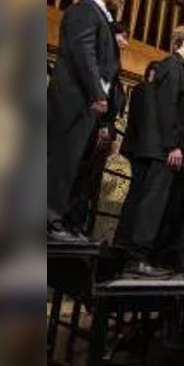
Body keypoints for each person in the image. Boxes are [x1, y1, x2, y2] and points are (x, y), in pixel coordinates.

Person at [47, 0, 127, 241]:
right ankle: (49, 220)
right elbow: (84, 54)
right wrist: (97, 93)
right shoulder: (83, 10)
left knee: (79, 166)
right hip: (75, 102)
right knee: (62, 161)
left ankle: (67, 222)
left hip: (91, 107)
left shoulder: (102, 18)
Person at [116, 25, 184, 275]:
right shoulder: (173, 67)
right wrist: (173, 145)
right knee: (151, 205)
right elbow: (167, 110)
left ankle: (138, 257)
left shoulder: (174, 68)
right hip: (162, 149)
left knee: (151, 203)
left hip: (160, 148)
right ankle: (137, 258)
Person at [62, 21, 128, 237]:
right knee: (73, 176)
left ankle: (76, 225)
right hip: (84, 125)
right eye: (122, 37)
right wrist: (100, 123)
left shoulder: (113, 65)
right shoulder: (96, 60)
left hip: (99, 130)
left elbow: (114, 99)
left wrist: (108, 126)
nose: (125, 43)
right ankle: (61, 223)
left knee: (87, 183)